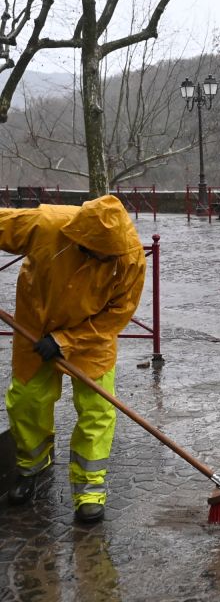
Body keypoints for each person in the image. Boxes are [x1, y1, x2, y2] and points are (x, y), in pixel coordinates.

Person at [2, 195, 146, 523]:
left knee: (97, 410)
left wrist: (67, 340)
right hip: (35, 329)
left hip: (92, 336)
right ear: (82, 239)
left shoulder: (129, 257)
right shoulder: (47, 225)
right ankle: (31, 467)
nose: (107, 260)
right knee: (27, 400)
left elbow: (120, 313)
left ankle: (89, 489)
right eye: (100, 254)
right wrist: (50, 339)